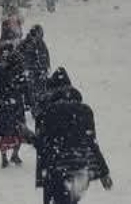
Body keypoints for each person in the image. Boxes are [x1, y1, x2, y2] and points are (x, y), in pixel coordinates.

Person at [24, 71, 113, 203]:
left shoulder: (48, 112)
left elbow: (44, 145)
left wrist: (29, 136)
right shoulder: (85, 111)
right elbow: (92, 143)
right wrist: (104, 172)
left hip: (57, 169)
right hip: (80, 171)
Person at [0, 44, 28, 168]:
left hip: (4, 105)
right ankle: (13, 155)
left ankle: (5, 157)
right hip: (13, 104)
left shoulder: (0, 70)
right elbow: (25, 88)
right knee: (17, 129)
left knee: (3, 131)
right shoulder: (16, 73)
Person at [18, 25, 51, 108]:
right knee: (31, 91)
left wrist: (45, 69)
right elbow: (19, 55)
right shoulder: (25, 43)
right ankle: (33, 106)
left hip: (39, 72)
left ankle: (39, 106)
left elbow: (45, 57)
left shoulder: (41, 44)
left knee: (40, 91)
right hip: (29, 72)